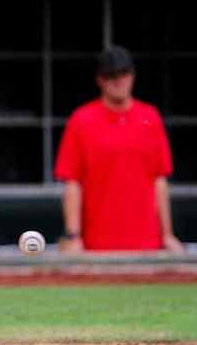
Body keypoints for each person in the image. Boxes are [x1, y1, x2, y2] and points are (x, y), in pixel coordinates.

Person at [54, 47, 184, 253]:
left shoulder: (150, 117)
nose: (118, 81)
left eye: (123, 73)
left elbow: (159, 180)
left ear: (132, 76)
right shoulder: (81, 120)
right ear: (100, 80)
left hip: (147, 244)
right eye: (110, 75)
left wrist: (167, 234)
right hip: (96, 245)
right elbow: (72, 182)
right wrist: (73, 235)